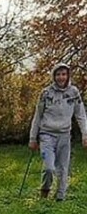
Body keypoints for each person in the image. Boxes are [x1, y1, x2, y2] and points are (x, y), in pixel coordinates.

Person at [29, 63, 87, 201]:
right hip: (47, 135)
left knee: (63, 168)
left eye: (64, 74)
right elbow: (37, 116)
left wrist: (85, 134)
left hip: (64, 135)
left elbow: (81, 115)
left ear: (68, 76)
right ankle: (44, 191)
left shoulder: (73, 92)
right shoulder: (45, 93)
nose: (61, 77)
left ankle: (60, 197)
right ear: (54, 76)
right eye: (58, 74)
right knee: (49, 168)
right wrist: (32, 138)